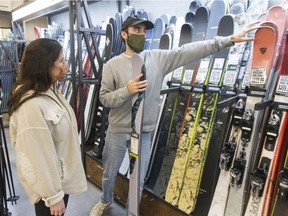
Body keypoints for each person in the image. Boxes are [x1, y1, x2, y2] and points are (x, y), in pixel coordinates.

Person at [89, 15, 260, 216]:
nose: (142, 34)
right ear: (124, 34)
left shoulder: (158, 59)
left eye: (144, 31)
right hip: (117, 132)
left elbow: (188, 51)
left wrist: (228, 39)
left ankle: (131, 212)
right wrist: (127, 90)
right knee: (109, 174)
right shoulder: (112, 65)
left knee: (138, 181)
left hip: (142, 134)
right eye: (137, 31)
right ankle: (105, 200)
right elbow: (105, 99)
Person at [8, 38, 87, 216]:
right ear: (45, 65)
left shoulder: (48, 91)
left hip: (58, 179)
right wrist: (53, 196)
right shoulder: (31, 105)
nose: (65, 66)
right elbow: (37, 155)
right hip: (50, 188)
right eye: (61, 61)